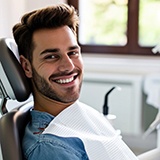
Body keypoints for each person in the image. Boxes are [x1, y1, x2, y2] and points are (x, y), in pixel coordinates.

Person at [12, 3, 139, 160]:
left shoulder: (77, 113)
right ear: (27, 67)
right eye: (51, 56)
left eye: (72, 52)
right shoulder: (51, 148)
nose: (69, 66)